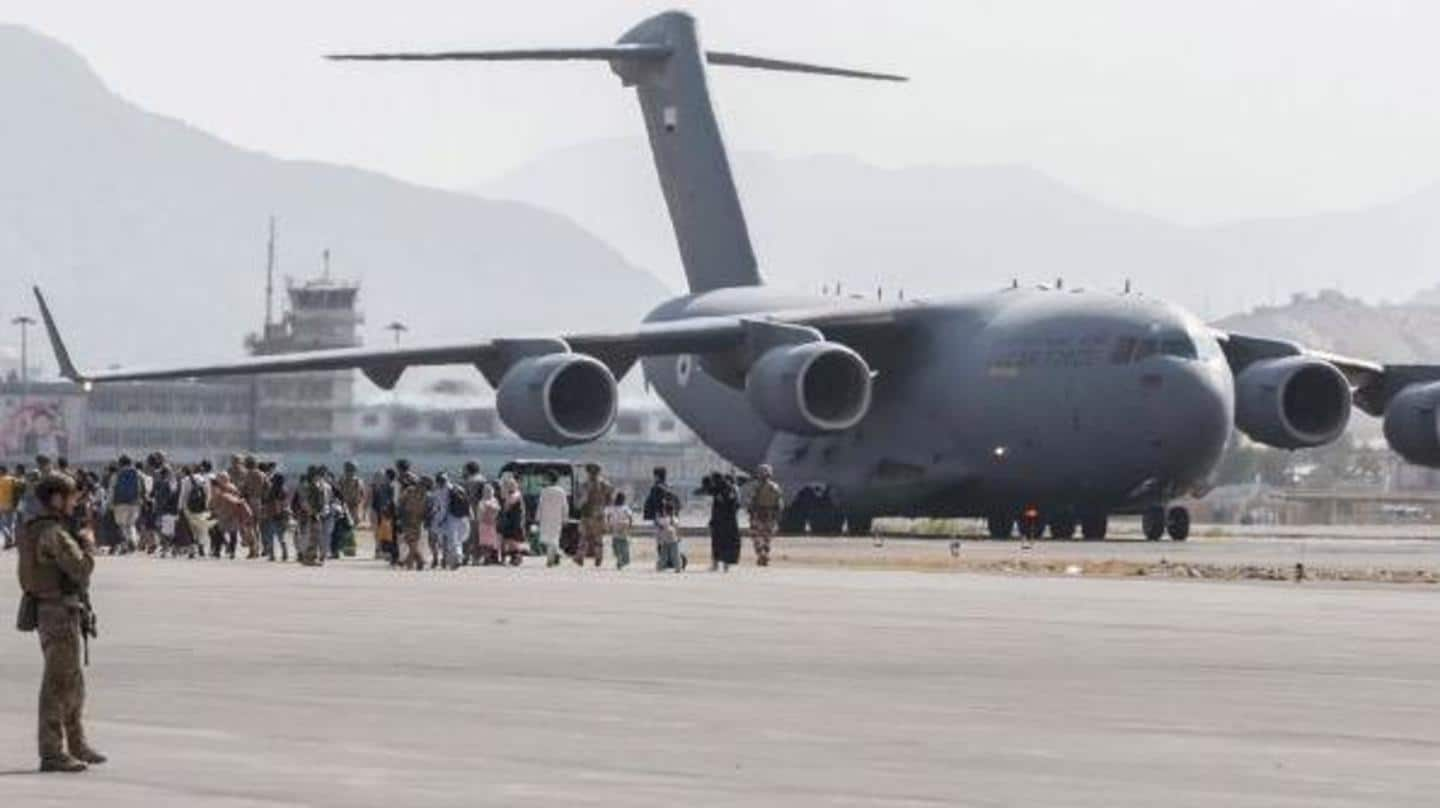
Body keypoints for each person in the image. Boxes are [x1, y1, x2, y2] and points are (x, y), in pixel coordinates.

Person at [16, 473, 106, 772]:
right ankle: (52, 752)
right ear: (56, 499)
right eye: (71, 497)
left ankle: (76, 743)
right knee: (57, 683)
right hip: (58, 613)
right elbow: (80, 568)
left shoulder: (39, 526)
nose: (75, 502)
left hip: (55, 611)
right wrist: (89, 545)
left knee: (73, 682)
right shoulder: (53, 532)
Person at [747, 464, 784, 567]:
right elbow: (780, 504)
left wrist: (751, 512)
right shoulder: (775, 487)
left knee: (755, 536)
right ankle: (765, 554)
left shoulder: (756, 487)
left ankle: (761, 555)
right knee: (767, 537)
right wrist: (777, 516)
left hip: (758, 514)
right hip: (770, 515)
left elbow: (750, 502)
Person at [576, 463, 613, 567]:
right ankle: (598, 558)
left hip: (587, 514)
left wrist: (579, 506)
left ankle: (580, 557)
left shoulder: (585, 485)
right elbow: (610, 501)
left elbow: (583, 500)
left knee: (584, 537)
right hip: (599, 514)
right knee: (598, 538)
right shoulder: (605, 485)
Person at [704, 473, 742, 571]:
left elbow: (734, 505)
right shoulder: (722, 489)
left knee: (722, 543)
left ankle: (722, 564)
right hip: (724, 521)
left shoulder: (727, 490)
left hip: (725, 521)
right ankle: (720, 564)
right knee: (721, 543)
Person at [396, 470, 430, 571]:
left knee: (413, 542)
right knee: (410, 541)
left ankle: (410, 563)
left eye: (424, 485)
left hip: (418, 521)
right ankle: (418, 560)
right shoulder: (410, 490)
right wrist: (399, 517)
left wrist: (426, 519)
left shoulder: (427, 496)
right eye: (420, 483)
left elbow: (428, 510)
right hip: (407, 519)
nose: (421, 486)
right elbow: (401, 503)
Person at [437, 473, 469, 570]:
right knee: (459, 539)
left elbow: (444, 508)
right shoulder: (458, 487)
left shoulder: (443, 491)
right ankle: (457, 558)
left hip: (452, 517)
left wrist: (440, 519)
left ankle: (455, 560)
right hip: (463, 517)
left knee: (452, 540)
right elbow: (467, 501)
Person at [536, 472, 569, 568]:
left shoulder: (544, 491)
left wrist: (537, 517)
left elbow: (540, 506)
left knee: (547, 539)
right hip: (557, 518)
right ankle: (556, 554)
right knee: (554, 538)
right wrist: (565, 518)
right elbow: (565, 506)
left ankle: (551, 558)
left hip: (546, 517)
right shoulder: (561, 491)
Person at [260, 472, 291, 562]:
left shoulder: (271, 491)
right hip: (283, 515)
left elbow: (267, 503)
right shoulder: (285, 490)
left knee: (270, 536)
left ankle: (272, 555)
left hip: (273, 515)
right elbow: (285, 503)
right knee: (282, 536)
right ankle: (285, 554)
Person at [497, 473, 527, 565]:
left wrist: (505, 494)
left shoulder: (516, 494)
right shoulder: (508, 494)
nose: (508, 486)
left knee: (513, 540)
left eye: (510, 485)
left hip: (514, 521)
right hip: (508, 521)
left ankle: (516, 557)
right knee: (506, 539)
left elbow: (508, 503)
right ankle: (508, 557)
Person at [654, 499, 685, 573]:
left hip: (671, 540)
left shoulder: (670, 519)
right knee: (668, 555)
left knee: (671, 555)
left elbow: (676, 528)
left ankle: (675, 568)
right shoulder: (668, 519)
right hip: (668, 540)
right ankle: (664, 567)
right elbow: (677, 528)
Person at [605, 491, 634, 570]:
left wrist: (609, 525)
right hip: (623, 526)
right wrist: (630, 525)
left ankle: (620, 558)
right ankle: (624, 560)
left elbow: (608, 515)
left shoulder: (612, 507)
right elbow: (630, 517)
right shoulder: (625, 508)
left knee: (616, 544)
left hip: (615, 526)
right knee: (624, 544)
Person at [475, 483, 501, 565]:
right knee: (484, 542)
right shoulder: (482, 501)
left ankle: (489, 557)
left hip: (491, 524)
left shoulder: (494, 500)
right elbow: (480, 513)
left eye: (489, 491)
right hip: (484, 524)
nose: (488, 492)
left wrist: (491, 508)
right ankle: (486, 558)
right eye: (487, 491)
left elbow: (497, 509)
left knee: (491, 542)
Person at [0, 463, 18, 549]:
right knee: (11, 524)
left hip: (2, 505)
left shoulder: (1, 480)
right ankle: (9, 541)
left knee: (3, 524)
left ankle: (8, 538)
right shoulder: (13, 479)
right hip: (12, 504)